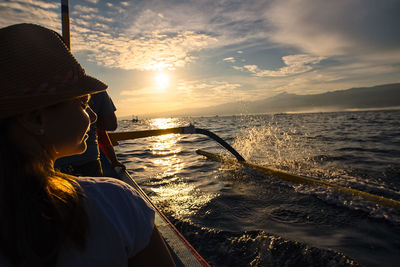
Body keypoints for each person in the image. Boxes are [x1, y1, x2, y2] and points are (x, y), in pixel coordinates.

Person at [0, 23, 175, 266]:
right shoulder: (117, 202)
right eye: (83, 104)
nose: (92, 117)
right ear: (35, 118)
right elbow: (109, 125)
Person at [55, 90, 123, 177]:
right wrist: (114, 161)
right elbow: (111, 126)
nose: (94, 117)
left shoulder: (44, 89)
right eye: (83, 106)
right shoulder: (97, 91)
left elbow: (101, 133)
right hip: (89, 162)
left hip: (54, 167)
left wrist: (114, 160)